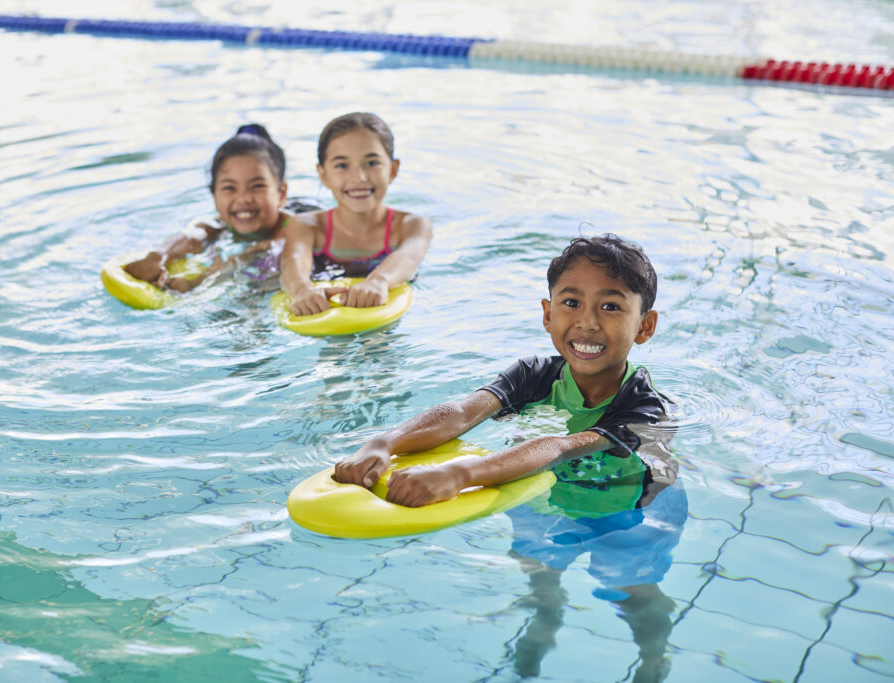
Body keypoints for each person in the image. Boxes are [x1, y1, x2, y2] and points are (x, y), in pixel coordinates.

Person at [334, 234, 683, 681]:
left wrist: (459, 474)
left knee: (633, 593)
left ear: (645, 326)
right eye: (571, 302)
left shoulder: (644, 405)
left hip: (628, 510)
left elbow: (559, 446)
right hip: (543, 497)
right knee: (540, 570)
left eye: (611, 307)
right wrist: (384, 443)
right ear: (547, 313)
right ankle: (545, 617)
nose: (588, 322)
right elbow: (462, 412)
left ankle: (653, 656)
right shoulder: (533, 375)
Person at [279, 112, 432, 315]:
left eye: (372, 163)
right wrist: (301, 290)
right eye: (342, 165)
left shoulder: (412, 225)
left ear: (393, 170)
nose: (359, 177)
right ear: (323, 174)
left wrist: (379, 281)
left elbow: (409, 258)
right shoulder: (307, 226)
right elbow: (293, 261)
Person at [125, 124, 304, 292]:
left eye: (257, 186)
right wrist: (157, 257)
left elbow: (260, 253)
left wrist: (197, 282)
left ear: (281, 193)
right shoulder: (215, 226)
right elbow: (191, 236)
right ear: (214, 195)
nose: (243, 198)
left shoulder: (296, 229)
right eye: (229, 188)